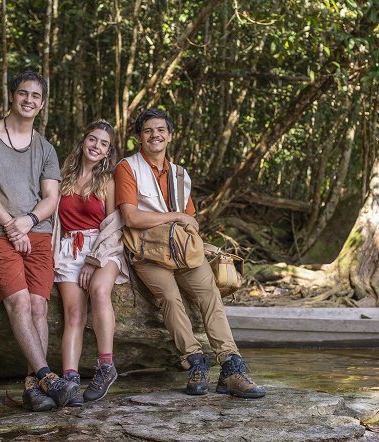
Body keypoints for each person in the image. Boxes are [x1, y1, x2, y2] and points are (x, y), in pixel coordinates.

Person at [114, 108, 266, 399]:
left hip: (182, 250)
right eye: (147, 130)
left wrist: (186, 227)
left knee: (210, 294)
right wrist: (176, 217)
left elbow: (190, 220)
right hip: (147, 250)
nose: (154, 135)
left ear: (169, 135)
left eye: (160, 130)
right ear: (139, 138)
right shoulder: (127, 167)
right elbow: (131, 217)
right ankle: (195, 362)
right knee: (170, 298)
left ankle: (232, 366)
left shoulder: (180, 174)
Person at [0, 70, 78, 411]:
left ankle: (33, 386)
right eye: (23, 93)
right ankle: (47, 375)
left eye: (36, 96)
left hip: (37, 232)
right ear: (12, 96)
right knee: (20, 304)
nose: (29, 100)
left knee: (40, 305)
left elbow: (50, 198)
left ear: (42, 104)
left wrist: (28, 221)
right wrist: (11, 226)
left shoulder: (45, 148)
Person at [53, 120, 128, 406]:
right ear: (83, 141)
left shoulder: (108, 180)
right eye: (93, 140)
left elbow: (113, 224)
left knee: (98, 290)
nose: (96, 146)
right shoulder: (65, 176)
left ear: (109, 151)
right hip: (69, 250)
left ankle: (106, 367)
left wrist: (94, 259)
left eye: (103, 143)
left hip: (104, 247)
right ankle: (70, 380)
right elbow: (55, 219)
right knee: (73, 316)